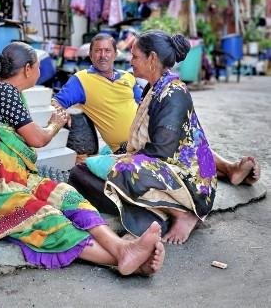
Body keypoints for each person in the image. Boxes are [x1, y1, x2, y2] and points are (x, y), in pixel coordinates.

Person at [0, 42, 165, 275]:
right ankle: (127, 259)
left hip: (9, 174)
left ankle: (123, 250)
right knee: (44, 216)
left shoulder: (2, 90)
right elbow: (38, 139)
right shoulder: (6, 92)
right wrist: (55, 124)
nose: (40, 71)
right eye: (38, 66)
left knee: (66, 195)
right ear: (28, 69)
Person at [74, 31, 225, 245]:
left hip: (193, 184)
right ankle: (157, 218)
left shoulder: (174, 93)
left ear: (152, 58)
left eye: (135, 56)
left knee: (123, 171)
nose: (131, 61)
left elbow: (161, 150)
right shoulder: (154, 87)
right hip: (163, 168)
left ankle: (184, 214)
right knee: (80, 173)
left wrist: (118, 160)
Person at [57, 33, 261, 185]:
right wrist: (61, 113)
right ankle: (227, 170)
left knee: (185, 140)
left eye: (107, 50)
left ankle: (227, 170)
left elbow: (144, 106)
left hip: (148, 137)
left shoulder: (129, 78)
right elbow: (56, 102)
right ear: (90, 55)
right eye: (97, 51)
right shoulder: (81, 80)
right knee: (182, 146)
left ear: (115, 53)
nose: (102, 55)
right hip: (127, 145)